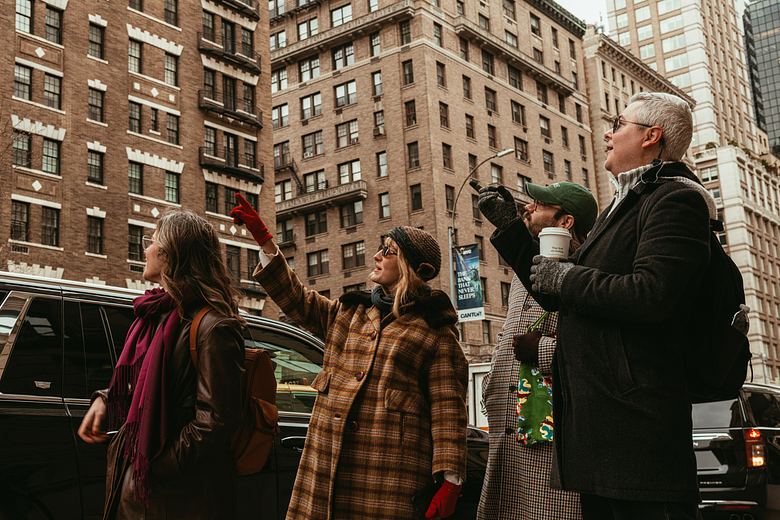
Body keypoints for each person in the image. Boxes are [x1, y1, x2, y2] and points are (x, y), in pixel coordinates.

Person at [478, 92, 745, 519]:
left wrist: (566, 276)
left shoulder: (677, 199)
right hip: (598, 433)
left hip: (636, 433)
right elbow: (559, 294)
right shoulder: (621, 207)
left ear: (650, 136)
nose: (607, 131)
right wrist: (512, 229)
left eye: (618, 123)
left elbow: (651, 293)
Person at [230, 193, 469, 520]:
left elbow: (448, 406)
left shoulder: (436, 330)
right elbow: (297, 301)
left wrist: (450, 479)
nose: (376, 255)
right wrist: (265, 241)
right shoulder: (350, 313)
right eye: (380, 247)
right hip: (325, 474)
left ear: (413, 268)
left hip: (389, 482)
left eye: (389, 251)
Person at [78, 210, 246, 519]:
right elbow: (145, 383)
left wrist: (161, 464)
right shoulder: (156, 315)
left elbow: (217, 419)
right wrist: (106, 398)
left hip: (178, 495)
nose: (145, 250)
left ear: (171, 254)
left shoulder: (214, 326)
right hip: (140, 486)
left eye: (151, 242)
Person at [477, 182, 597, 520]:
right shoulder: (523, 271)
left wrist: (542, 350)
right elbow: (507, 335)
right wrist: (491, 386)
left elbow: (597, 352)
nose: (527, 208)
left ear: (566, 222)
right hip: (505, 429)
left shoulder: (588, 274)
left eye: (539, 203)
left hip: (552, 440)